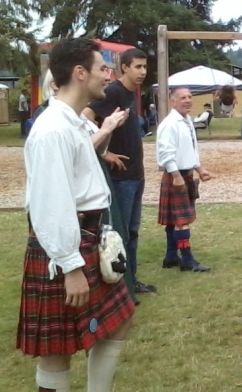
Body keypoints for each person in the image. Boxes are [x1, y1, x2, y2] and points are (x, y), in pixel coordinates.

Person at [17, 37, 135, 392]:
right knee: (57, 349)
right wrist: (70, 267)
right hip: (68, 247)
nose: (108, 75)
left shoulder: (70, 121)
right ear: (80, 73)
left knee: (119, 321)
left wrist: (106, 131)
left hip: (89, 238)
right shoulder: (52, 130)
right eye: (103, 68)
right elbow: (50, 203)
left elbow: (81, 156)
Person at [84, 48, 156, 295]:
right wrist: (104, 153)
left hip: (136, 175)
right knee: (121, 234)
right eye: (138, 67)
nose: (143, 72)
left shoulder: (130, 93)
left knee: (132, 232)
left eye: (145, 67)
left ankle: (131, 280)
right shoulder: (113, 91)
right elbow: (85, 117)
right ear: (124, 67)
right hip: (121, 178)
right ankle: (121, 288)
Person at [156, 87, 212, 272]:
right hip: (176, 176)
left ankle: (171, 257)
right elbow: (165, 153)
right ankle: (187, 260)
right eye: (182, 98)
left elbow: (190, 149)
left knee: (175, 220)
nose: (187, 100)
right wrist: (176, 175)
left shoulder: (187, 121)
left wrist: (200, 169)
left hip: (186, 174)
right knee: (181, 221)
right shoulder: (170, 124)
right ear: (173, 101)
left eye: (189, 97)